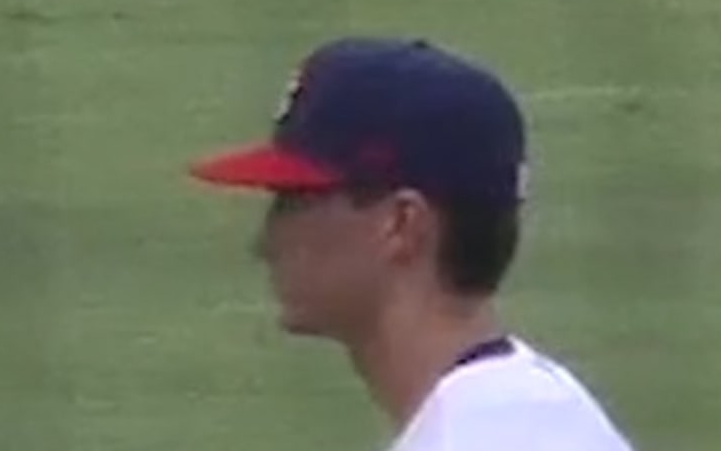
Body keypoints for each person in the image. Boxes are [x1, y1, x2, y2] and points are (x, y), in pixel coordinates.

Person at [188, 36, 639, 451]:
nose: (265, 243)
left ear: (401, 224)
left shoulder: (482, 436)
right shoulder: (526, 409)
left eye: (296, 200)